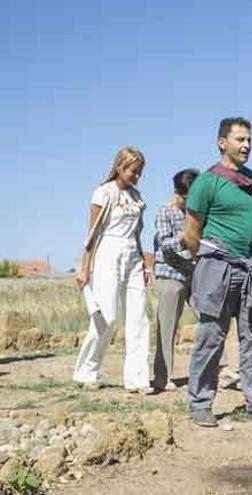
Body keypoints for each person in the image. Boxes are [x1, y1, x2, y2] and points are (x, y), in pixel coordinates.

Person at [183, 117, 252, 427]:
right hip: (218, 267)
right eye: (240, 139)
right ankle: (200, 403)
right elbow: (191, 231)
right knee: (211, 337)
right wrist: (205, 267)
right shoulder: (207, 181)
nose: (247, 145)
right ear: (221, 142)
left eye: (249, 140)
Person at [73, 147, 152, 393]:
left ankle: (138, 379)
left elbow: (138, 234)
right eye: (132, 171)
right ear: (119, 167)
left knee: (138, 318)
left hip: (133, 257)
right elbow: (92, 234)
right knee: (106, 316)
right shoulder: (103, 193)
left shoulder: (138, 197)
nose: (136, 176)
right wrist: (84, 269)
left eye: (140, 172)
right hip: (107, 253)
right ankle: (86, 372)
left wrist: (144, 261)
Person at [152, 168, 200, 392]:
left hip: (193, 274)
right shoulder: (165, 212)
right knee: (167, 327)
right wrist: (184, 238)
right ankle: (164, 376)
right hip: (170, 275)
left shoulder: (195, 214)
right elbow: (164, 244)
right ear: (178, 192)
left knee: (211, 318)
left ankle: (223, 368)